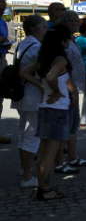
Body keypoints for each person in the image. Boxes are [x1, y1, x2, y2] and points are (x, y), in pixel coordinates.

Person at [20, 25, 74, 200]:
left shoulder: (44, 58)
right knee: (50, 153)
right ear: (62, 41)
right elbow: (51, 77)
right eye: (68, 39)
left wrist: (40, 85)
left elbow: (24, 72)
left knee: (43, 151)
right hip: (57, 109)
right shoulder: (60, 60)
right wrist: (56, 91)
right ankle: (44, 188)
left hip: (45, 107)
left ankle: (41, 186)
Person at [11, 15, 47, 187]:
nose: (46, 29)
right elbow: (31, 72)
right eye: (43, 26)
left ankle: (24, 169)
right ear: (34, 29)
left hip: (23, 94)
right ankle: (27, 176)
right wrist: (41, 83)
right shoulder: (36, 47)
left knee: (25, 133)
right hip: (33, 96)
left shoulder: (23, 43)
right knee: (31, 135)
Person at [56, 11, 86, 172]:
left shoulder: (71, 39)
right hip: (68, 87)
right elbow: (63, 67)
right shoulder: (63, 42)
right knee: (66, 125)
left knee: (73, 124)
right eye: (75, 21)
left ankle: (72, 157)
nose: (78, 23)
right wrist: (71, 89)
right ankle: (61, 162)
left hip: (74, 86)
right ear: (69, 23)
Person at [0, 0, 12, 144]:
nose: (2, 8)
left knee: (1, 95)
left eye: (3, 6)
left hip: (2, 58)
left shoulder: (2, 21)